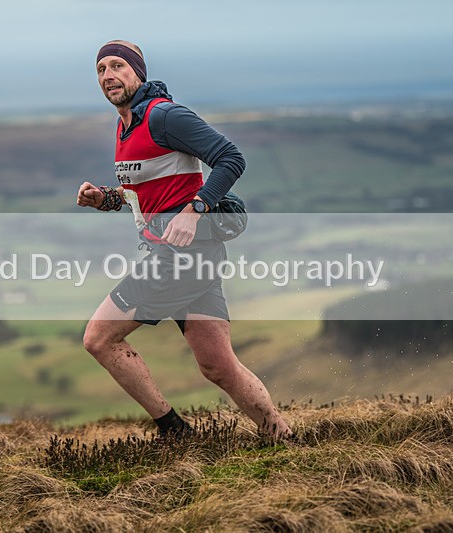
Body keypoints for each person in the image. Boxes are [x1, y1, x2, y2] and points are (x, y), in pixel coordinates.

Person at [77, 40, 292, 441]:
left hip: (182, 255)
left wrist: (195, 211)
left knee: (99, 338)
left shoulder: (164, 116)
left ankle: (174, 432)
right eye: (101, 69)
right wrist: (105, 199)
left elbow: (231, 158)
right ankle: (283, 438)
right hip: (194, 256)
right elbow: (147, 195)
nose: (108, 75)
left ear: (137, 72)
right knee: (218, 367)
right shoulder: (127, 125)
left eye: (118, 66)